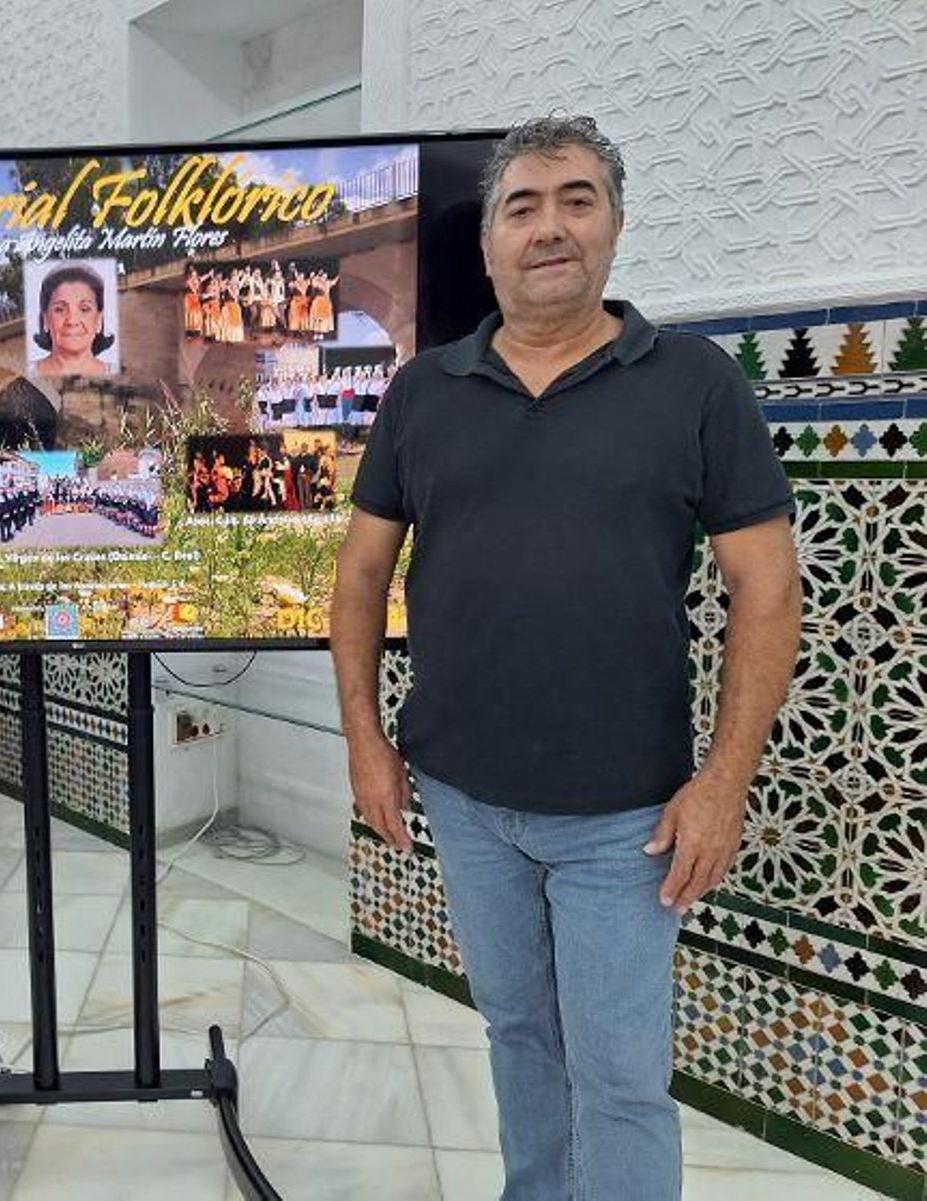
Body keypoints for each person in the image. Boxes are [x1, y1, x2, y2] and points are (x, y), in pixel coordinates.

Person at [329, 116, 801, 1201]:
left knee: (622, 1074)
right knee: (515, 1033)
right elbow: (360, 575)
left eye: (577, 200)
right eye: (522, 207)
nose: (550, 228)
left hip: (626, 819)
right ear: (488, 244)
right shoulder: (422, 392)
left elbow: (766, 587)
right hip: (461, 794)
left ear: (615, 228)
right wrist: (365, 741)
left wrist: (722, 783)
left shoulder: (693, 384)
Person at [32, 263, 116, 377]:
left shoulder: (123, 376)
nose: (72, 321)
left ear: (99, 319)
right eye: (60, 309)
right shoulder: (24, 375)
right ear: (45, 319)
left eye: (84, 309)